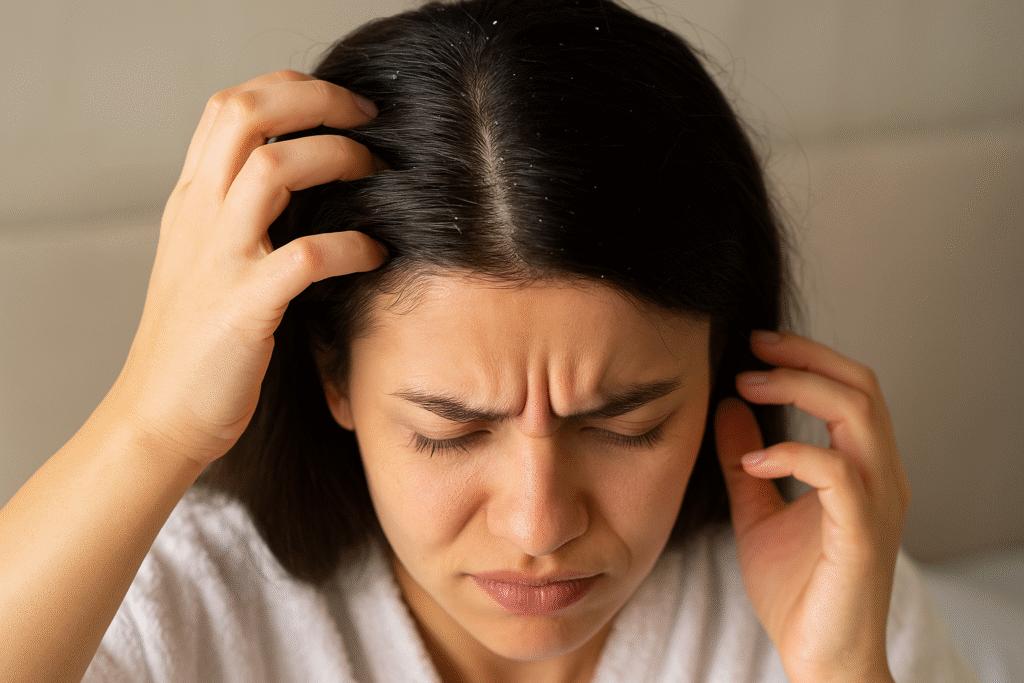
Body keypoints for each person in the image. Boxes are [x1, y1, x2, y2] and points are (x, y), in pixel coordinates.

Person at [0, 1, 977, 682]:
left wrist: (842, 668)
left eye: (625, 421)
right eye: (451, 428)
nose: (538, 524)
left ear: (722, 362)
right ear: (333, 375)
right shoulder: (183, 604)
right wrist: (150, 423)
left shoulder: (833, 600)